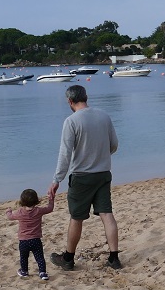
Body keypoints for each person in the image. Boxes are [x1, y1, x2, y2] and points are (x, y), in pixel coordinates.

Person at [48, 83, 121, 271]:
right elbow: (114, 145)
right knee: (106, 213)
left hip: (82, 176)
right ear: (86, 97)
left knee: (77, 217)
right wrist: (99, 156)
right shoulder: (104, 116)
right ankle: (114, 258)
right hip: (103, 173)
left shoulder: (72, 121)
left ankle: (68, 258)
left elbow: (65, 154)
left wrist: (57, 180)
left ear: (70, 101)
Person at [6, 188, 55, 280]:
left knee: (24, 257)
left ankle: (24, 271)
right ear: (36, 201)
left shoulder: (20, 212)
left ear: (22, 201)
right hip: (36, 240)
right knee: (40, 257)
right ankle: (43, 273)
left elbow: (10, 217)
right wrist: (51, 199)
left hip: (23, 241)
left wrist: (8, 211)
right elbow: (50, 208)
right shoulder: (38, 211)